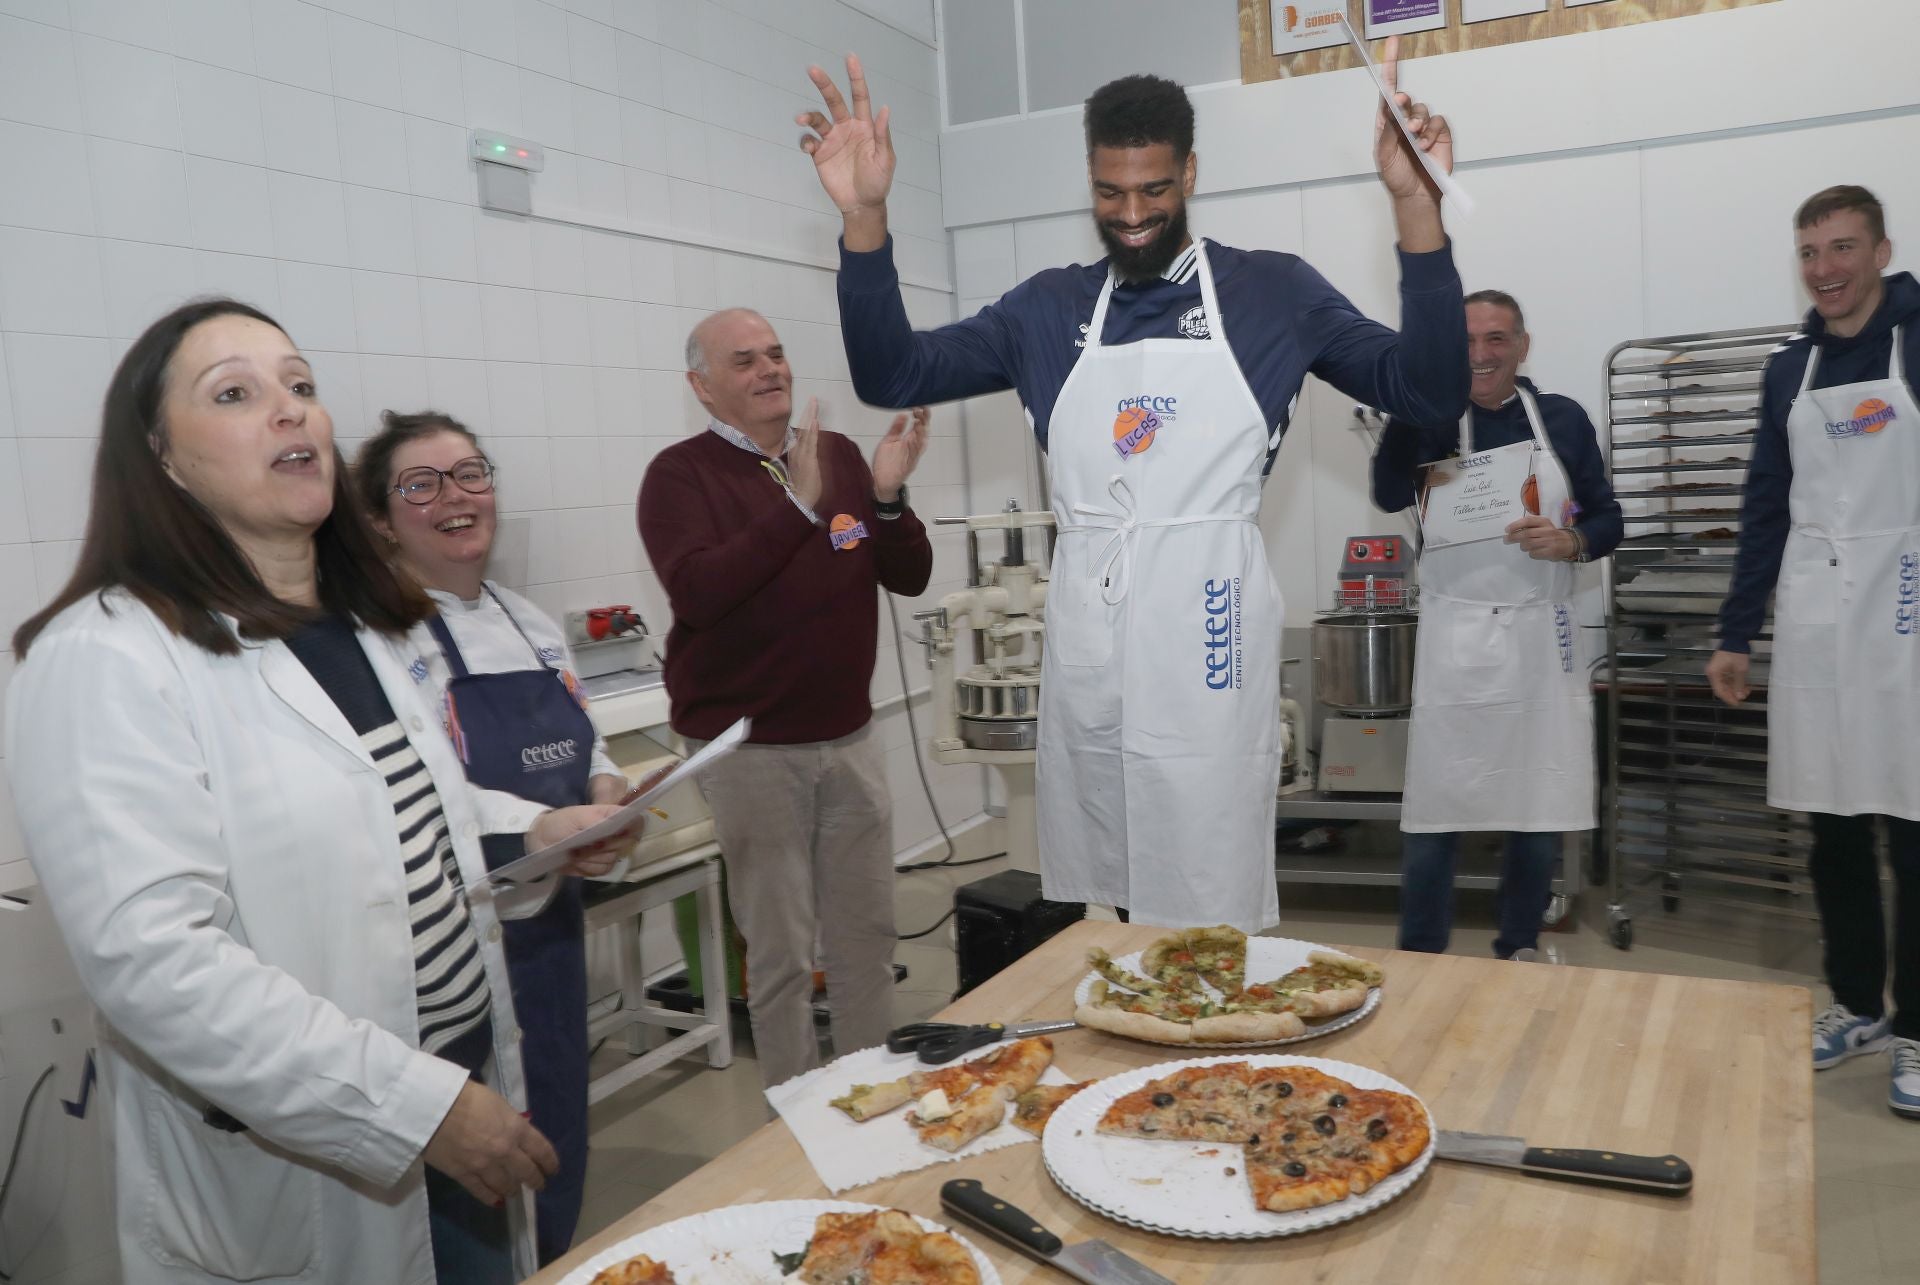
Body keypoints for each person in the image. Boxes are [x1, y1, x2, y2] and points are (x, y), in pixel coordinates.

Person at [4, 299, 640, 1283]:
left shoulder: (354, 627)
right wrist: (413, 1105)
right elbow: (157, 963)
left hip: (463, 1088)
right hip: (325, 1145)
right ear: (162, 458)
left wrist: (542, 825)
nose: (291, 410)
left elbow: (420, 819)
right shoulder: (104, 654)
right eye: (236, 393)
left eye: (300, 385)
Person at [800, 49, 1469, 931]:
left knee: (1210, 859)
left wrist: (1417, 209)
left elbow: (1430, 392)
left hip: (1208, 612)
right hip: (1091, 615)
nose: (1133, 214)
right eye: (1113, 194)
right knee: (1106, 875)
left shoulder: (1272, 294)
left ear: (1189, 172)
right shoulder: (1045, 310)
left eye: (1154, 190)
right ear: (1090, 177)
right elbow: (891, 370)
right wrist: (866, 220)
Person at [356, 411, 633, 1264]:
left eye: (470, 473)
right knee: (479, 1181)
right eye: (421, 483)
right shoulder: (378, 640)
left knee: (555, 1136)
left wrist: (607, 788)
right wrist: (537, 827)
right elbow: (412, 793)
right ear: (379, 520)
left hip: (550, 931)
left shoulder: (529, 623)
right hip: (459, 949)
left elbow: (589, 739)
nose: (455, 496)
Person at [637, 307, 933, 1087]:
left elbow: (908, 575)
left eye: (775, 354)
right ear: (702, 386)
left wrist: (891, 500)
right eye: (745, 361)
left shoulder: (834, 453)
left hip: (850, 740)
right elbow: (701, 593)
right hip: (752, 752)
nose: (771, 369)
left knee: (867, 936)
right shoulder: (678, 476)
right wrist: (795, 506)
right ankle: (797, 1122)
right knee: (778, 954)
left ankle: (874, 1096)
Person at [1706, 185, 1920, 1116]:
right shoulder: (1787, 368)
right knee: (1832, 823)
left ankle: (1915, 1024)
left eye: (1842, 248)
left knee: (1913, 828)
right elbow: (1764, 502)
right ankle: (1856, 1001)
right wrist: (1735, 628)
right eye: (1809, 252)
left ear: (1881, 250)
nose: (1825, 269)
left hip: (1907, 601)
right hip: (1814, 609)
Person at [1370, 290, 1622, 960]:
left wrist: (1571, 543)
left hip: (1541, 634)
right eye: (1467, 340)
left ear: (1522, 345)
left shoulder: (1561, 420)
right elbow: (1388, 493)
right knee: (1437, 810)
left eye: (1496, 339)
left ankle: (1517, 945)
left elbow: (1607, 517)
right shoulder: (1427, 418)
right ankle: (1421, 954)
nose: (1481, 354)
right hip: (1456, 637)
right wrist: (1412, 411)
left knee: (1534, 806)